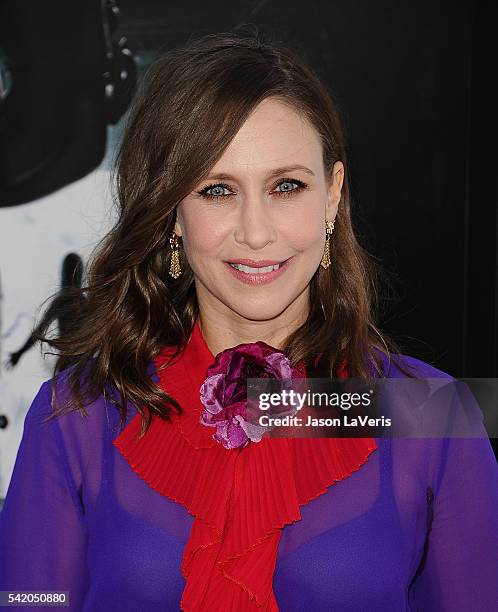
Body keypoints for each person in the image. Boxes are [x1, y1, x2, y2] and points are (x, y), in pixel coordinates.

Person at [0, 29, 497, 612]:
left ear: (333, 195)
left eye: (286, 186)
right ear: (172, 215)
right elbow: (30, 601)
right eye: (216, 190)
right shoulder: (78, 415)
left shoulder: (429, 414)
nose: (256, 232)